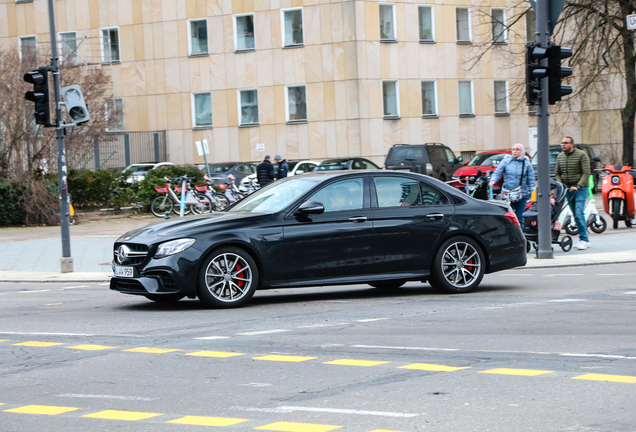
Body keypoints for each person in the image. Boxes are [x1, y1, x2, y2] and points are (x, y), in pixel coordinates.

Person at [555, 136, 591, 250]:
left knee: (579, 213)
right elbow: (557, 174)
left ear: (572, 145)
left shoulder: (581, 155)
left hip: (581, 189)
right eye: (562, 143)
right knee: (576, 215)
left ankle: (584, 240)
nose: (563, 145)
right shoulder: (560, 156)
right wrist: (561, 185)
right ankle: (583, 238)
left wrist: (578, 186)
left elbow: (586, 173)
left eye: (566, 143)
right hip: (568, 189)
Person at [489, 143, 536, 230]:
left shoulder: (526, 163)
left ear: (522, 151)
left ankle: (520, 236)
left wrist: (533, 192)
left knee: (519, 217)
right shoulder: (506, 161)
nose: (514, 151)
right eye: (513, 149)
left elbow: (531, 180)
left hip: (522, 194)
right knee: (508, 217)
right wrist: (493, 180)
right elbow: (498, 172)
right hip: (508, 194)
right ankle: (509, 236)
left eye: (517, 149)